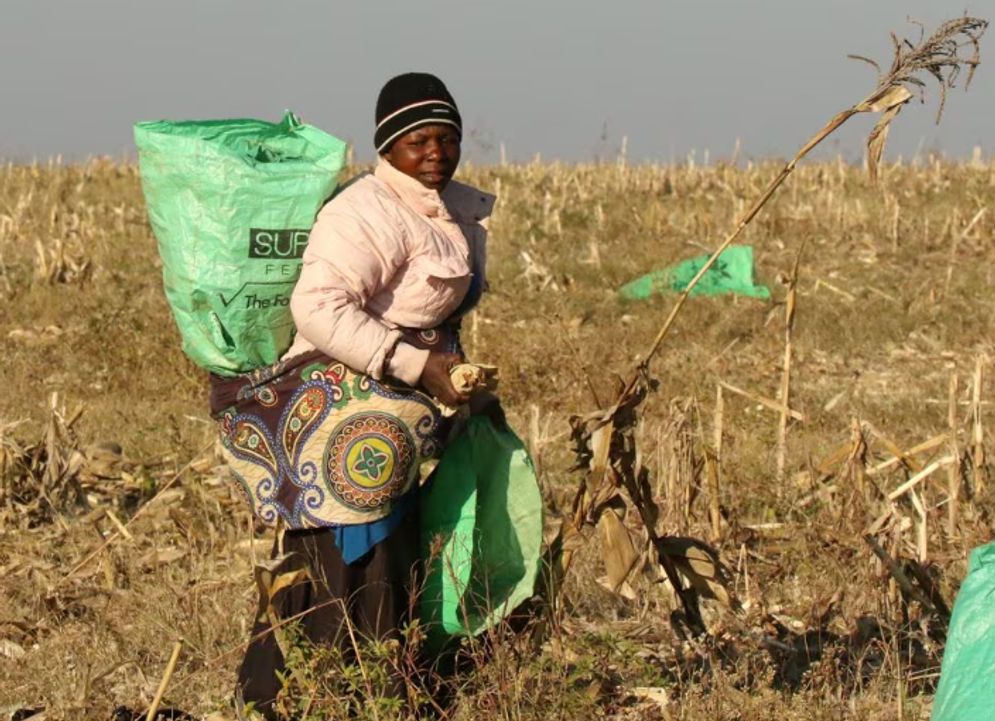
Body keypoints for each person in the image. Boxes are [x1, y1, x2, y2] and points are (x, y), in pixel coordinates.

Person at [209, 72, 496, 719]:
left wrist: (454, 376)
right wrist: (415, 364)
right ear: (386, 147)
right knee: (349, 538)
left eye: (446, 138)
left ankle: (380, 686)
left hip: (390, 403)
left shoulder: (451, 207)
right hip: (334, 400)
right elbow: (315, 308)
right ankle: (309, 692)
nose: (435, 152)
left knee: (391, 536)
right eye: (417, 140)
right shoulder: (363, 212)